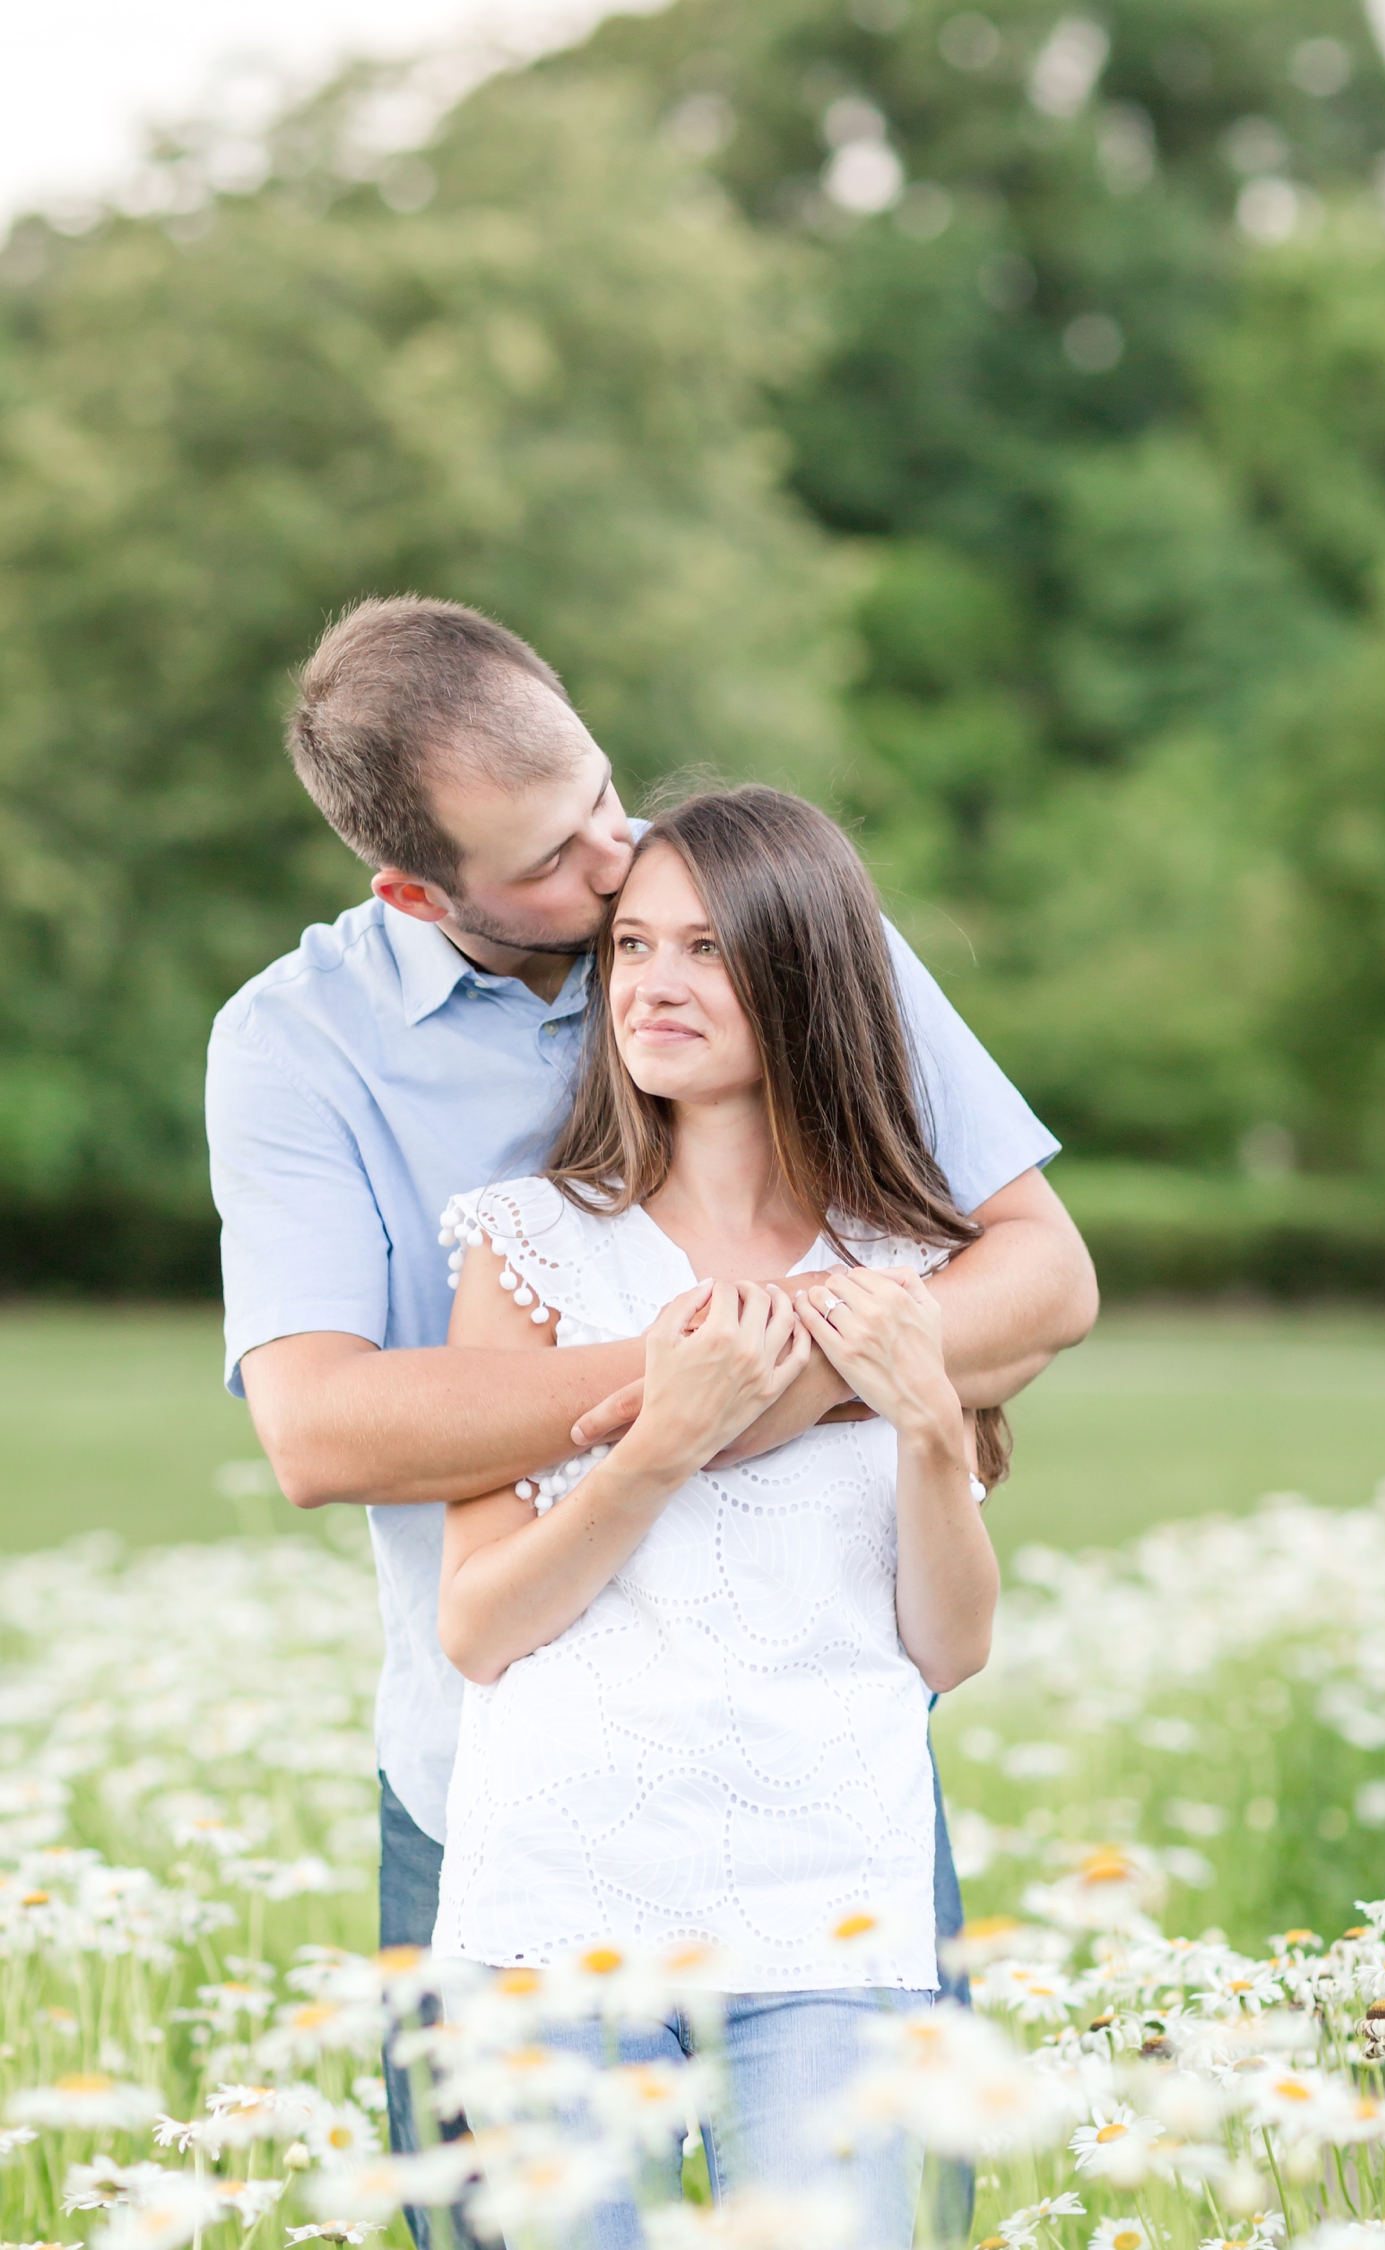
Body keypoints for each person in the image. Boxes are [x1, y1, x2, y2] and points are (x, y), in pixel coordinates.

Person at [205, 596, 1096, 2237]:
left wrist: (814, 1370)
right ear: (417, 889)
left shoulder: (765, 921)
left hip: (809, 1791)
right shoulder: (297, 1051)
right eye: (560, 865)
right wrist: (671, 1397)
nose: (621, 868)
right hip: (499, 1794)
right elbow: (319, 1432)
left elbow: (1038, 1276)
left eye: (607, 795)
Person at [431, 786, 1006, 2245]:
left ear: (805, 973)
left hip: (831, 1909)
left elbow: (946, 1648)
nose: (655, 983)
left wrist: (930, 1420)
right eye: (634, 947)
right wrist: (662, 1443)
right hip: (557, 1910)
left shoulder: (908, 1269)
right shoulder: (530, 1246)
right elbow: (478, 1625)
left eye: (707, 947)